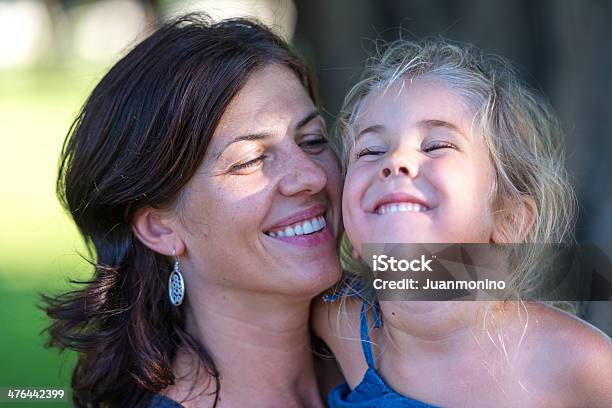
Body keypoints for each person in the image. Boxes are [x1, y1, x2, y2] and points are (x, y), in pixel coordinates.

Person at [44, 14, 343, 407]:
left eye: (313, 140)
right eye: (250, 160)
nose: (310, 176)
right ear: (159, 229)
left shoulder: (384, 324)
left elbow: (452, 281)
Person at [314, 39, 612, 407]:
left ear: (509, 218)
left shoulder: (577, 363)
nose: (395, 160)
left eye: (437, 145)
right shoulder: (337, 320)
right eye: (370, 150)